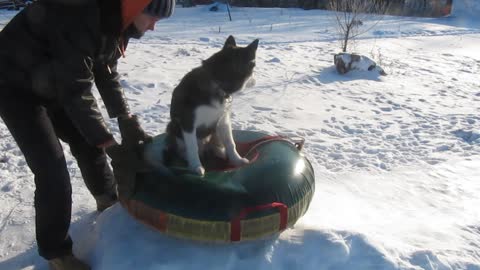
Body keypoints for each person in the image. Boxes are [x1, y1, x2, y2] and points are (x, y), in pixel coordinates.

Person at [0, 0, 175, 269]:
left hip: (51, 78)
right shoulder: (82, 15)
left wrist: (125, 118)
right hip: (13, 85)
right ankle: (56, 252)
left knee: (87, 142)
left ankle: (107, 199)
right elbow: (75, 91)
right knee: (52, 171)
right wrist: (108, 141)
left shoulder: (114, 22)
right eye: (152, 17)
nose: (153, 27)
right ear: (133, 7)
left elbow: (105, 71)